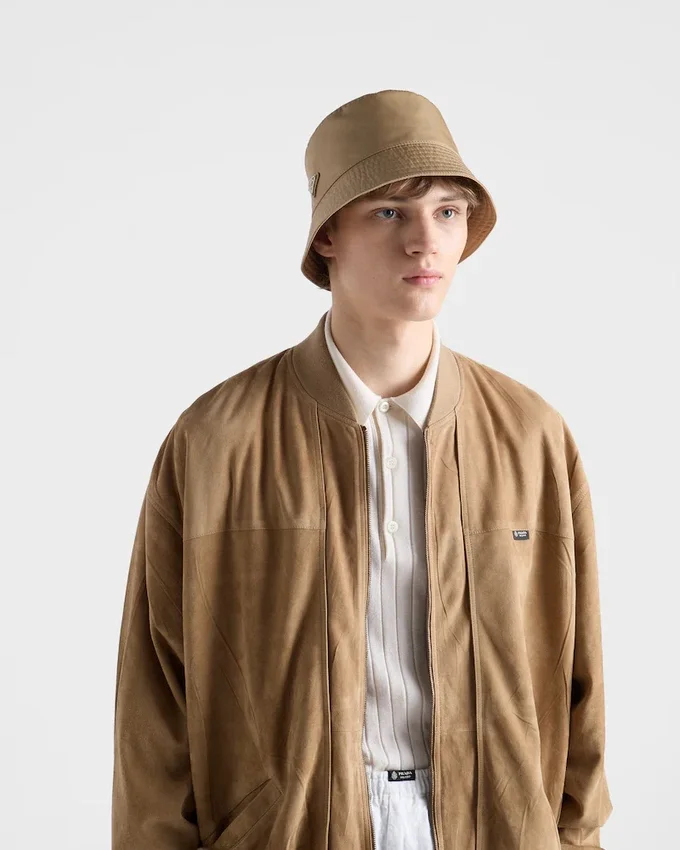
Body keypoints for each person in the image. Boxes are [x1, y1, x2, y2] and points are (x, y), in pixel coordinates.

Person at [112, 89, 613, 850]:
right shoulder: (217, 441)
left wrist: (572, 840)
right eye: (388, 212)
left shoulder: (530, 435)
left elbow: (582, 682)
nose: (426, 242)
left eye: (448, 211)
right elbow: (154, 702)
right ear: (326, 237)